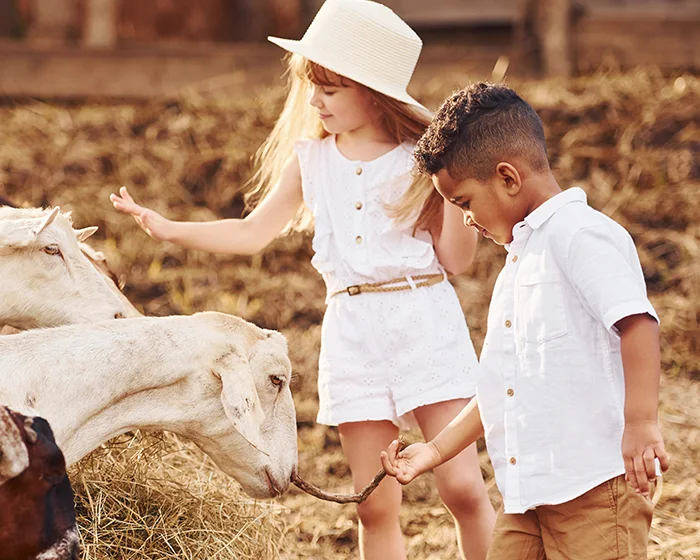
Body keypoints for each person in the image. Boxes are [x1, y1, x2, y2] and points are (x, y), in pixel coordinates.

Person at [109, 1, 495, 558]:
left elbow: (456, 261)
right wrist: (170, 229)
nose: (315, 100)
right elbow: (252, 232)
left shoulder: (422, 161)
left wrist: (457, 180)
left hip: (423, 320)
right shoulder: (311, 160)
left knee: (460, 488)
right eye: (312, 85)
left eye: (330, 88)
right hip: (353, 330)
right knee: (374, 503)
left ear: (371, 90)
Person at [381, 81, 671, 559]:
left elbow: (637, 323)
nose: (467, 220)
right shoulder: (520, 261)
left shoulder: (581, 235)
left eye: (465, 203)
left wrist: (640, 422)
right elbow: (500, 386)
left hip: (594, 493)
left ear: (508, 178)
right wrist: (435, 451)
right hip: (526, 498)